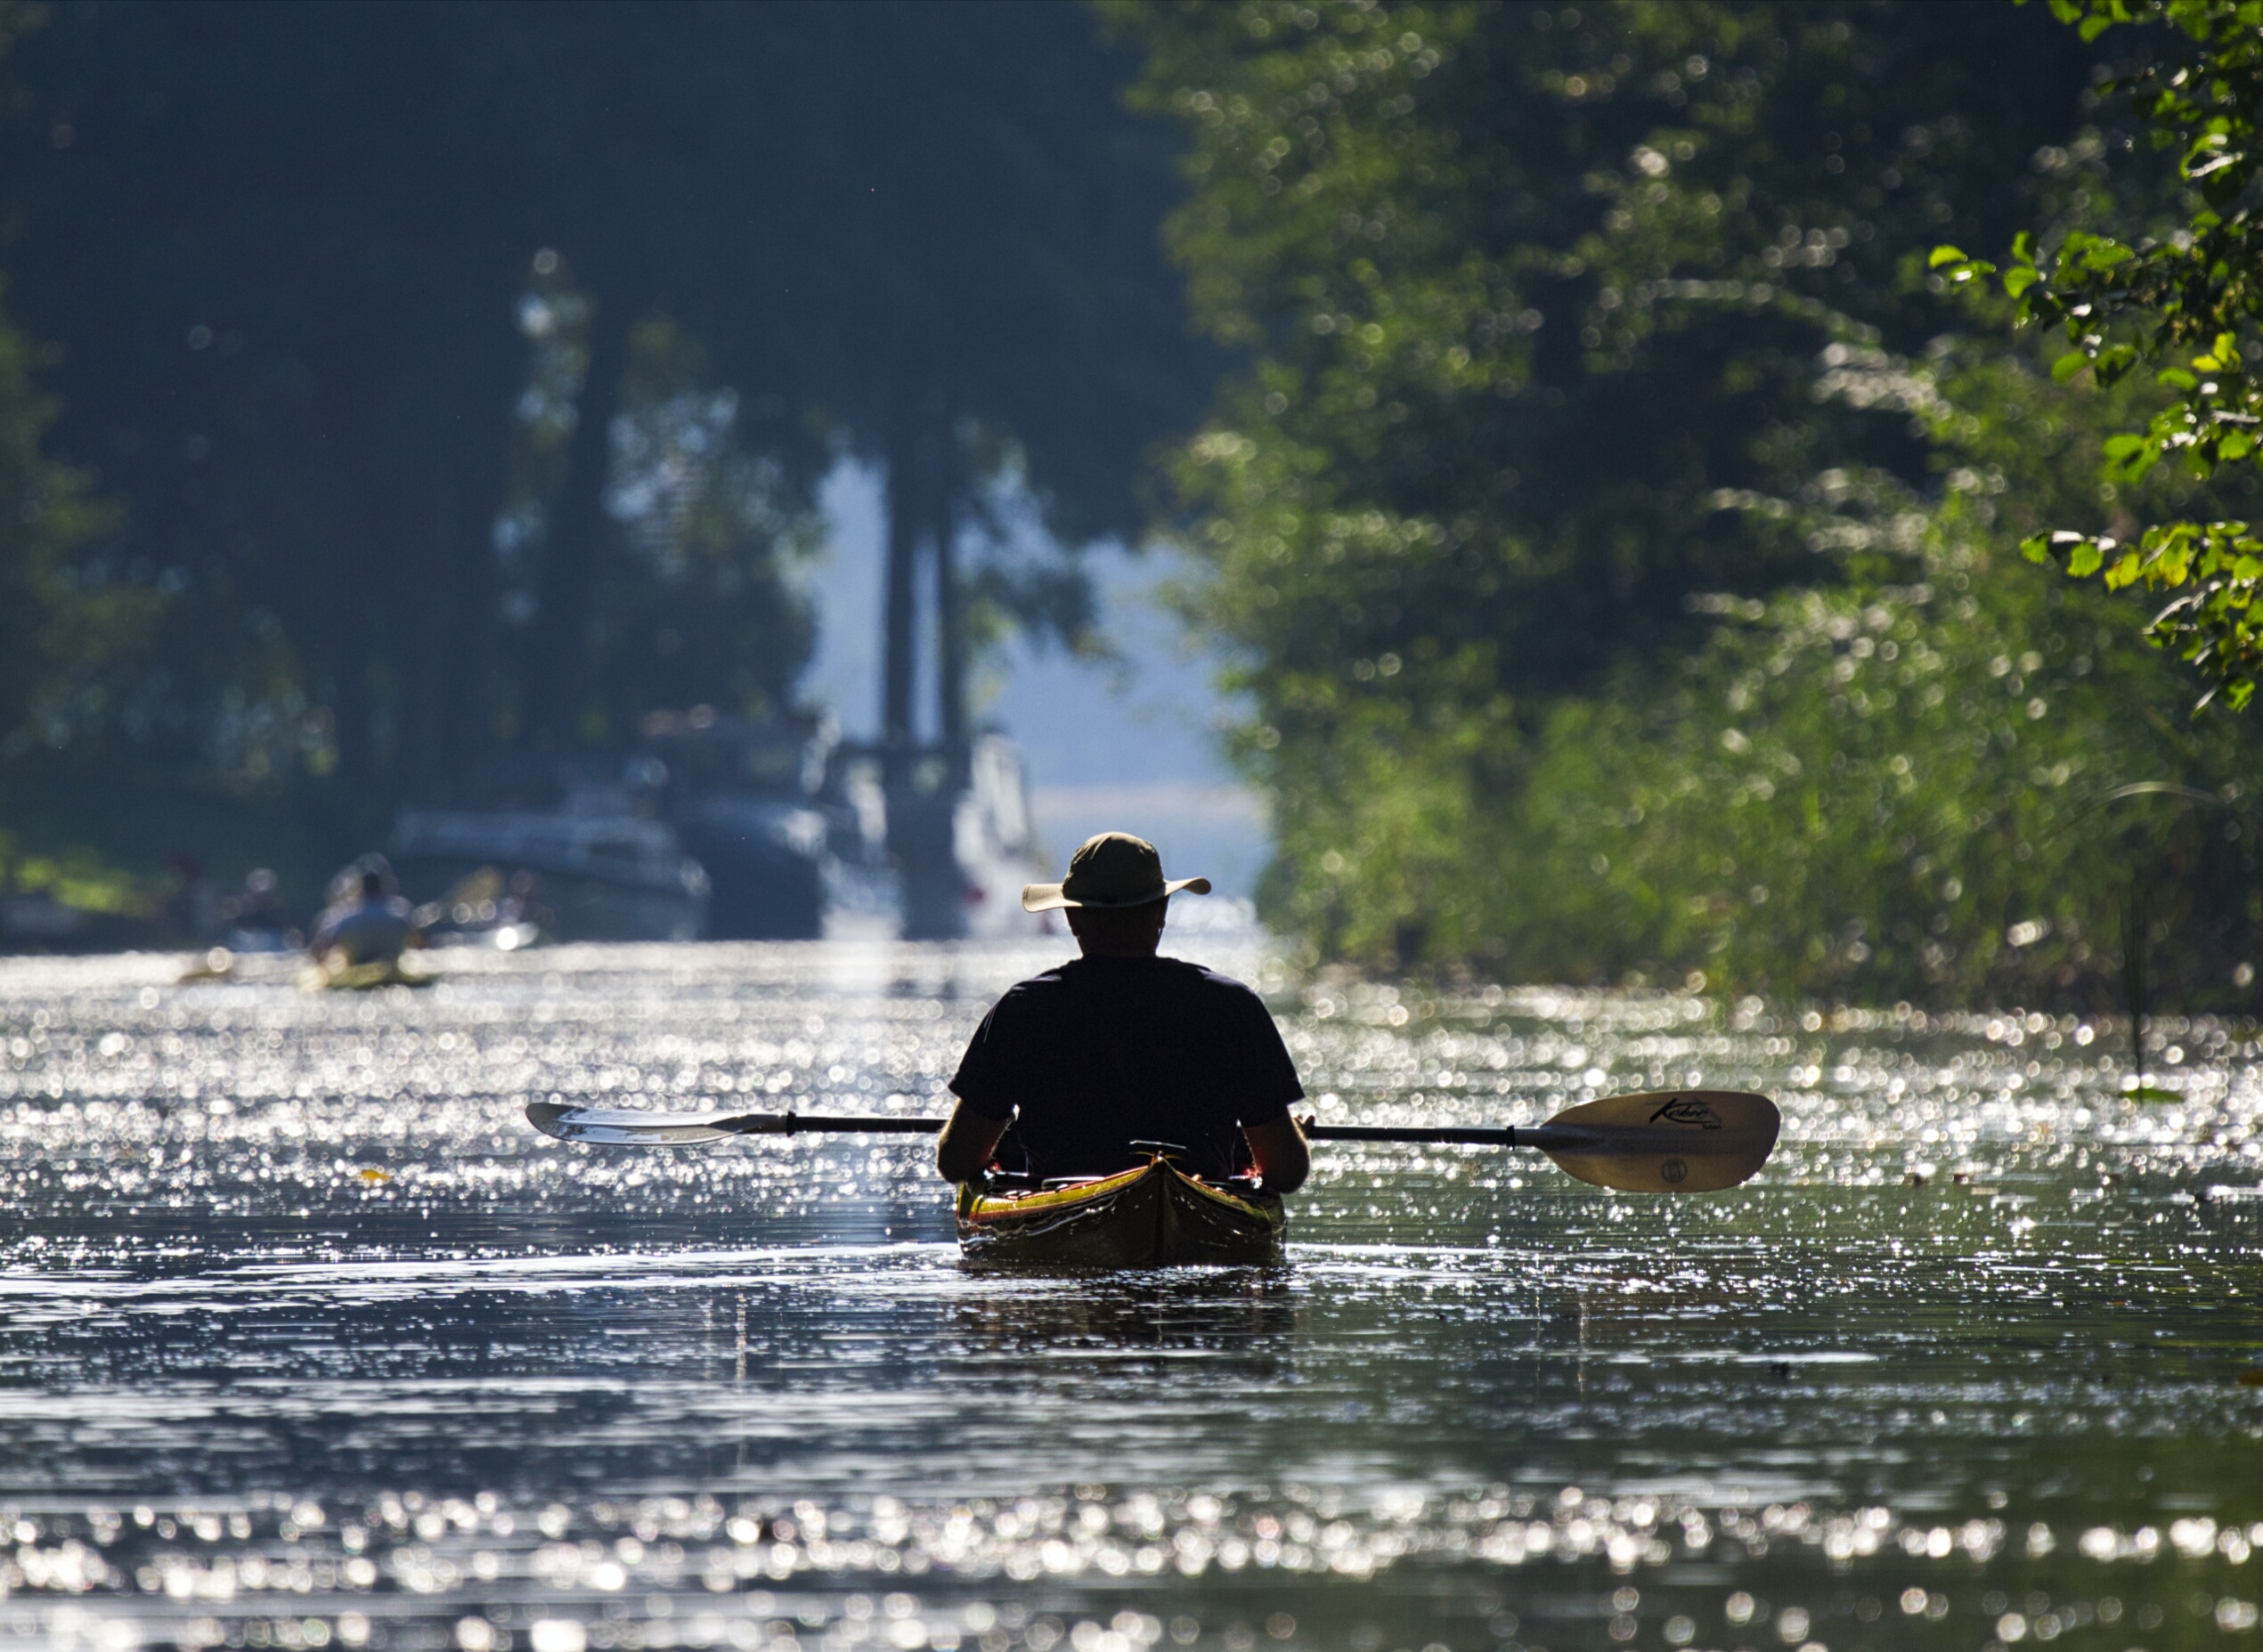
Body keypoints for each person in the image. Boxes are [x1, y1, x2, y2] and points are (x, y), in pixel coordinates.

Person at [935, 832, 1310, 1193]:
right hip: (1201, 1215)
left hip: (1061, 1215)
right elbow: (1286, 1172)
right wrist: (1290, 1138)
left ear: (1073, 919)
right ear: (1160, 913)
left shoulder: (1022, 1009)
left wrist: (1001, 1147)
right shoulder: (1234, 1006)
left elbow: (956, 1162)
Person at [309, 868, 415, 968]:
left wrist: (319, 965)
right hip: (391, 967)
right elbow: (422, 942)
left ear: (361, 891)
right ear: (384, 890)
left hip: (358, 967)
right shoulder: (401, 919)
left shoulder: (348, 922)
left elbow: (320, 946)